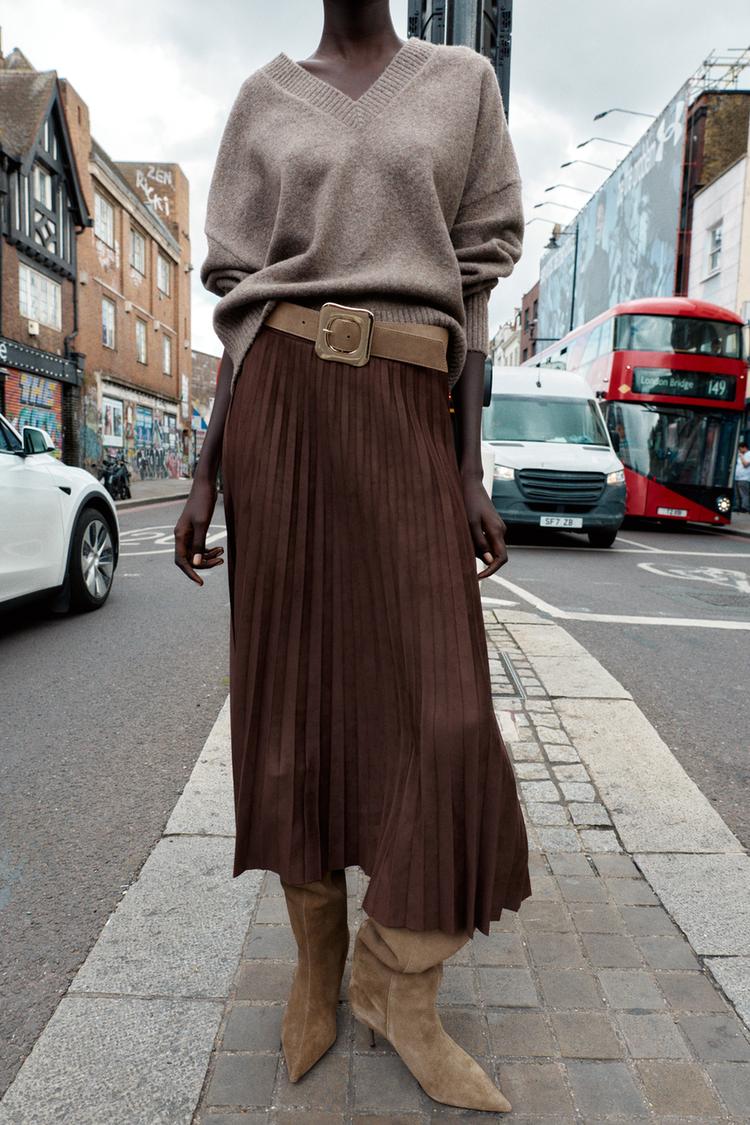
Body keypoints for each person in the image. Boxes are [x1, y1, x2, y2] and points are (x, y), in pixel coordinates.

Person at [173, 0, 530, 1112]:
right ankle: (315, 964)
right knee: (292, 709)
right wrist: (206, 470)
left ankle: (396, 982)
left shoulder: (463, 84)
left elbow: (476, 292)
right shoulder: (263, 100)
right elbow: (241, 311)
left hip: (411, 410)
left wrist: (467, 467)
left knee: (448, 717)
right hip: (279, 412)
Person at [735, 441, 750, 513]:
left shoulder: (749, 454)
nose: (739, 450)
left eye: (740, 449)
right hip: (737, 478)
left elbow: (745, 464)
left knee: (744, 494)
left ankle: (745, 507)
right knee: (737, 494)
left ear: (744, 448)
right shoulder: (741, 454)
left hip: (744, 478)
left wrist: (741, 456)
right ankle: (738, 506)